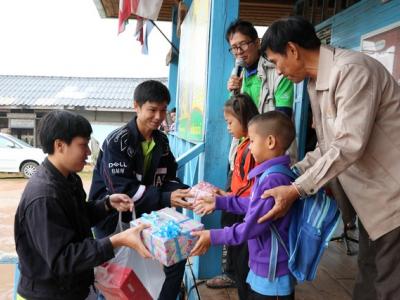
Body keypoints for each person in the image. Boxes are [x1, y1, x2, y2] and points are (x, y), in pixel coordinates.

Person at [259, 16, 400, 300]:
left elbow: (348, 144)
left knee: (388, 284)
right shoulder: (316, 83)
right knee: (368, 275)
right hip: (372, 202)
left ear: (293, 49)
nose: (280, 71)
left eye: (276, 62)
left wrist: (296, 188)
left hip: (392, 199)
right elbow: (327, 146)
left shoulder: (351, 71)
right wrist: (290, 173)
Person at [14, 111, 152, 300]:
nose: (88, 152)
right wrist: (116, 240)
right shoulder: (44, 196)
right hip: (49, 294)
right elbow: (63, 259)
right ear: (60, 145)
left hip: (74, 288)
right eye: (83, 145)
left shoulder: (69, 178)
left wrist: (107, 204)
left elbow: (76, 217)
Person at [208, 18, 295, 292]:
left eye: (243, 45)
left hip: (264, 153)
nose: (239, 52)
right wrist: (235, 93)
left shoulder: (277, 71)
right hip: (247, 152)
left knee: (254, 221)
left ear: (256, 42)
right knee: (236, 212)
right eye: (233, 48)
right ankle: (236, 273)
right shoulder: (240, 77)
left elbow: (279, 120)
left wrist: (209, 236)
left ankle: (244, 273)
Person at [88, 80, 193, 300]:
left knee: (176, 257)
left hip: (146, 215)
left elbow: (169, 176)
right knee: (115, 274)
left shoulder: (162, 140)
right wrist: (166, 197)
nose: (158, 116)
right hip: (111, 217)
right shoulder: (116, 142)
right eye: (152, 110)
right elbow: (122, 189)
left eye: (163, 110)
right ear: (136, 106)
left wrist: (184, 192)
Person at [191, 111, 297, 300]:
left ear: (270, 142)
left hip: (272, 275)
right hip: (263, 265)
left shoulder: (274, 179)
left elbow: (252, 227)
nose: (250, 147)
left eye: (253, 141)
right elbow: (254, 205)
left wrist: (213, 236)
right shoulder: (269, 174)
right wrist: (220, 201)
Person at [210, 93, 259, 299]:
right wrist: (226, 194)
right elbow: (241, 184)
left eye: (230, 122)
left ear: (245, 119)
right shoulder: (242, 144)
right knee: (239, 265)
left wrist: (229, 198)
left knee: (243, 266)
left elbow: (252, 192)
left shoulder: (254, 149)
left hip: (245, 214)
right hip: (237, 205)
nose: (228, 127)